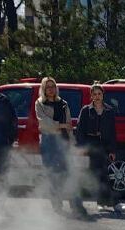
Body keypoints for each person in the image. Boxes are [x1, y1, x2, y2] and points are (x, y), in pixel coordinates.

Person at [36, 77, 87, 219]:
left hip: (63, 142)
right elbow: (44, 123)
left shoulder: (63, 103)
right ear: (44, 89)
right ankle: (57, 205)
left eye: (53, 86)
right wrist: (61, 125)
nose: (51, 89)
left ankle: (76, 206)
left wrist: (71, 142)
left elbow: (69, 125)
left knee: (70, 173)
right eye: (48, 87)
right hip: (48, 142)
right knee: (53, 175)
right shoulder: (40, 103)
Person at [76, 82, 125, 213]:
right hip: (90, 144)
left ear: (103, 95)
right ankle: (110, 203)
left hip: (103, 145)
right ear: (91, 96)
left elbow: (112, 132)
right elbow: (80, 130)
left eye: (99, 94)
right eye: (95, 94)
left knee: (101, 174)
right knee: (98, 175)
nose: (97, 96)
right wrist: (82, 147)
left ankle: (105, 203)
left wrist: (112, 150)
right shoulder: (86, 110)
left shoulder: (109, 111)